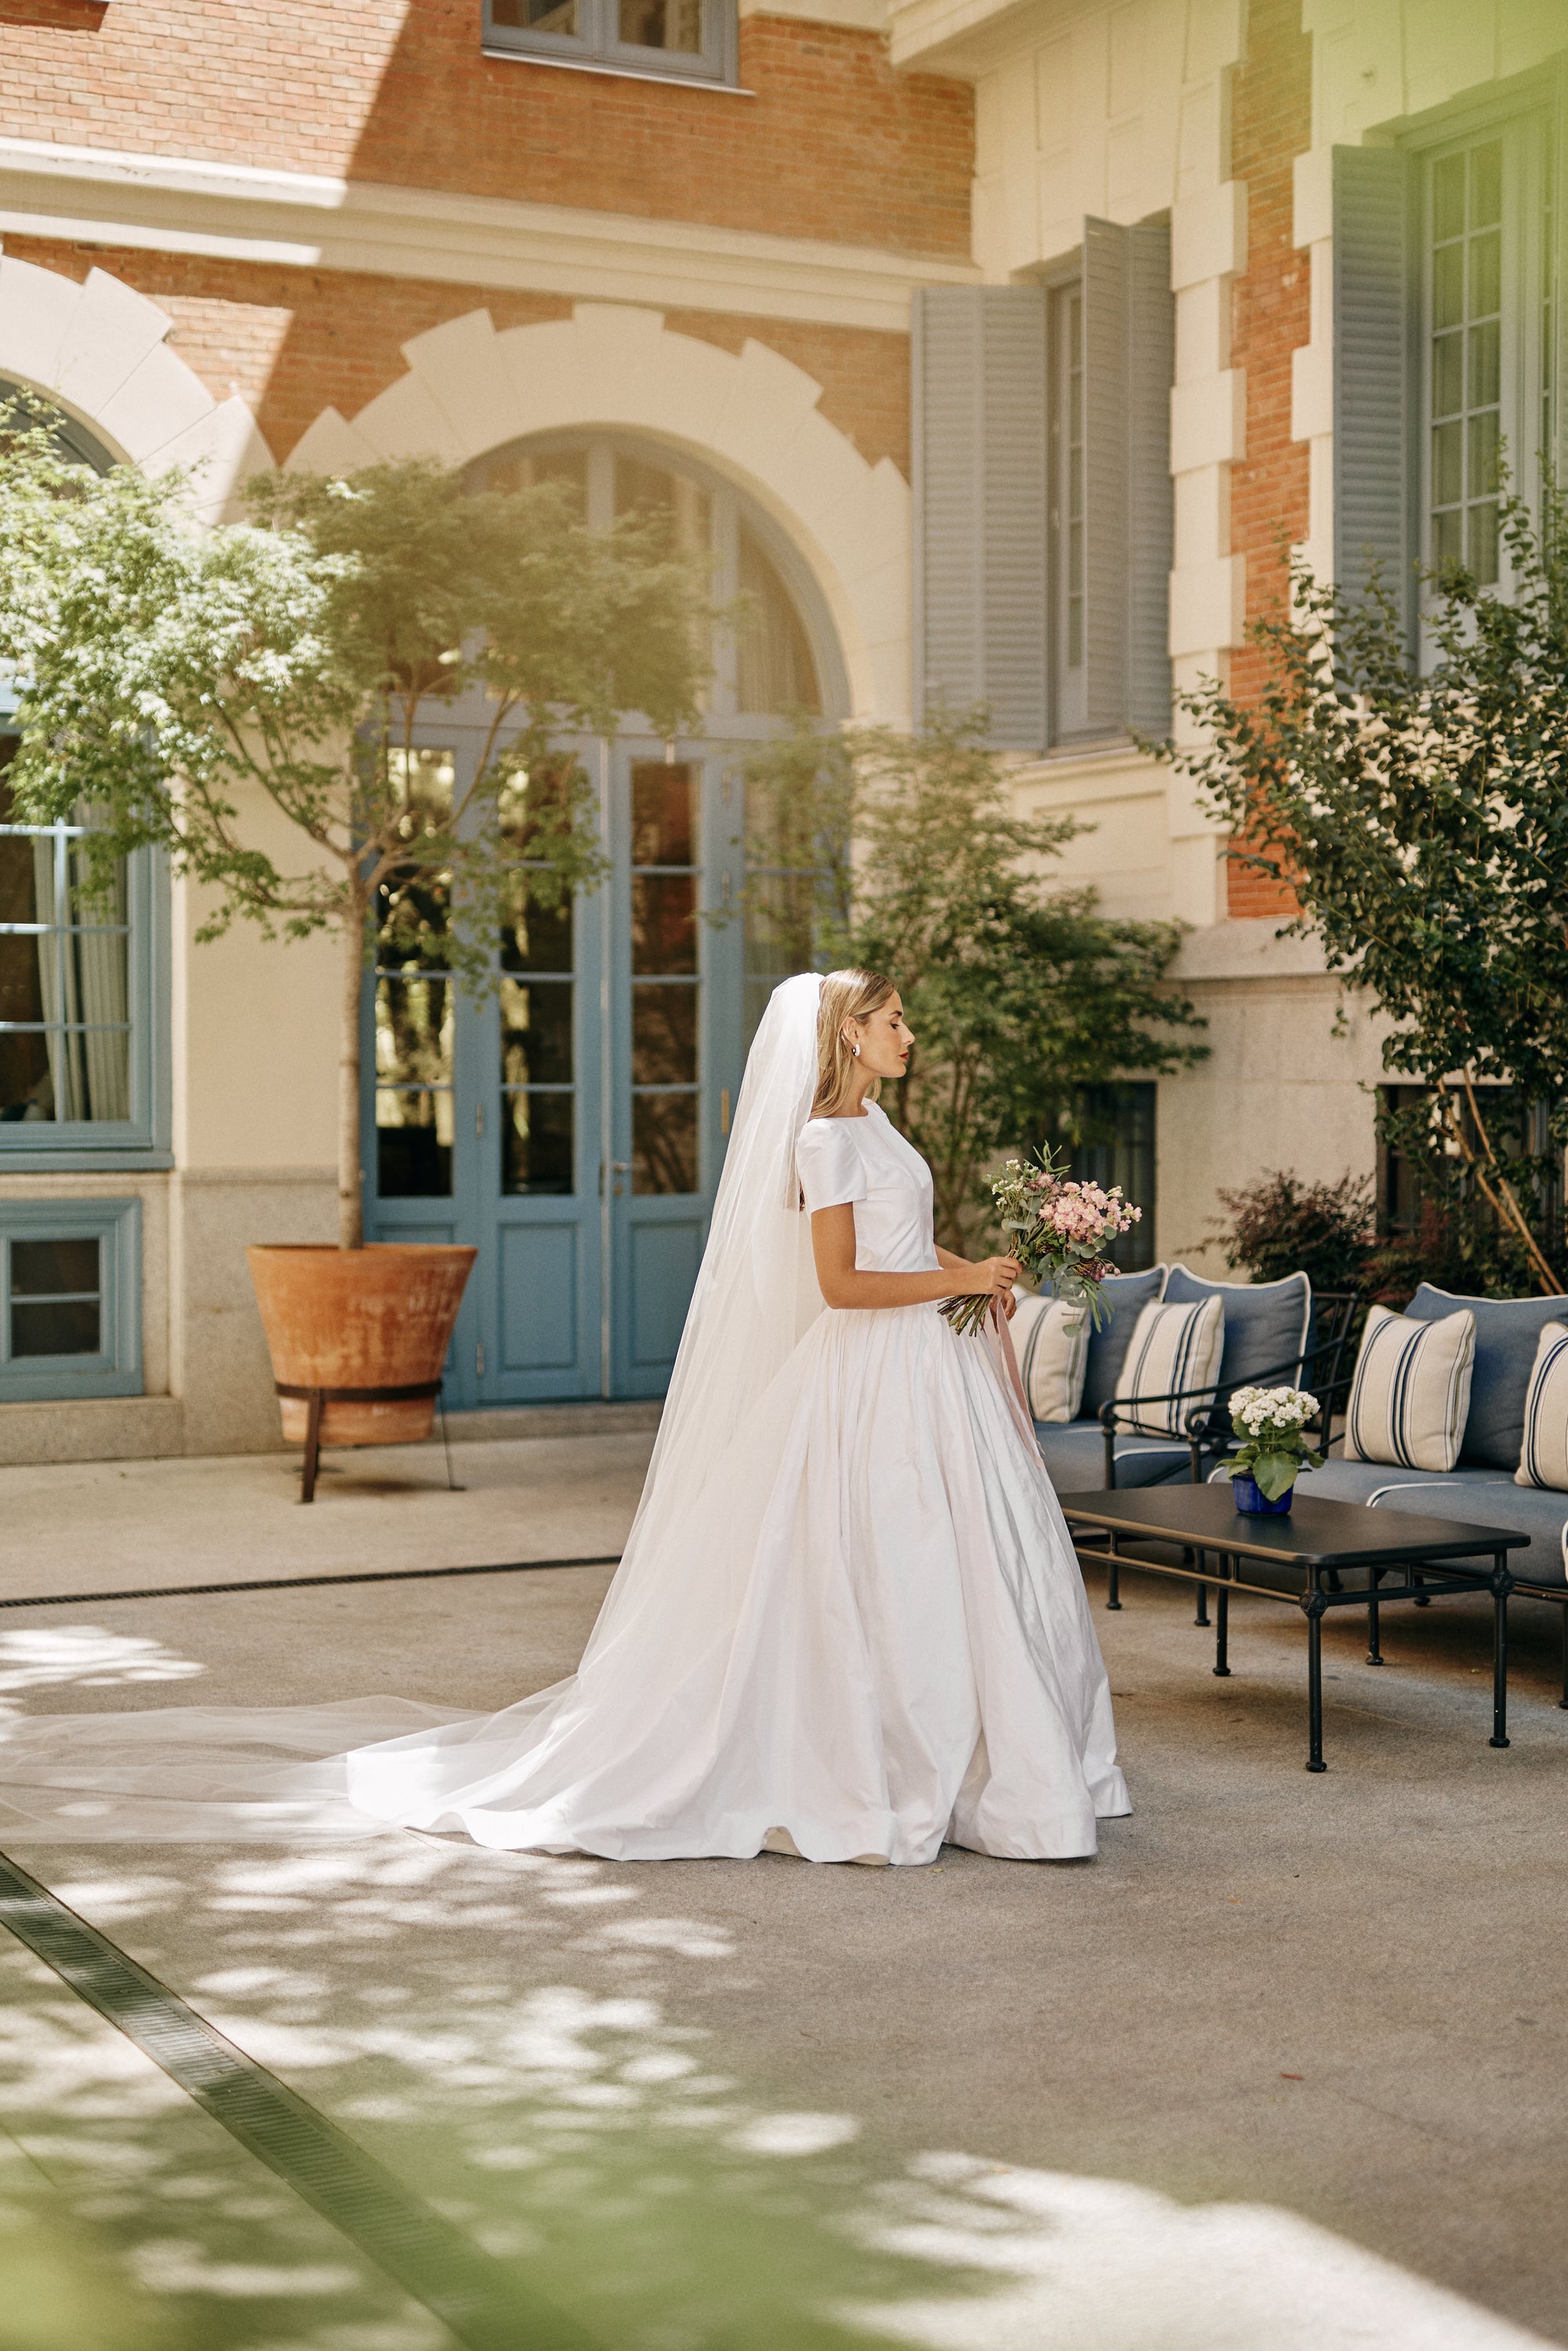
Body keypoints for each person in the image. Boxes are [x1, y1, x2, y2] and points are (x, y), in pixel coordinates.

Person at [0, 971, 1127, 1862]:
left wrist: (971, 1269)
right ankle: (880, 1761)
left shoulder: (877, 1128)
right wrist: (959, 1277)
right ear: (846, 1035)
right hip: (866, 1376)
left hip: (923, 1371)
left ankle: (971, 1757)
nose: (908, 1033)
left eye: (902, 1021)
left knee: (940, 1567)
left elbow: (900, 1249)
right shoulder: (825, 1140)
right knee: (860, 1570)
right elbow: (840, 1283)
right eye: (891, 1020)